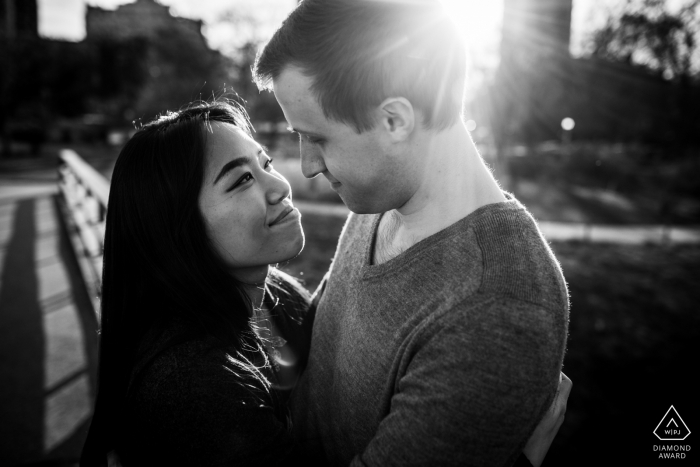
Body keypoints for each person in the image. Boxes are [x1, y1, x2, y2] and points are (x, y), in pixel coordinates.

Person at [253, 0, 571, 466]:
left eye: (317, 137)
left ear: (394, 121)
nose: (307, 166)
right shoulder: (379, 201)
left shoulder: (496, 309)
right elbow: (316, 355)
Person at [79, 101, 315, 466]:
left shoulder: (275, 294)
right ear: (179, 231)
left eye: (265, 163)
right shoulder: (193, 386)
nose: (280, 186)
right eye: (242, 180)